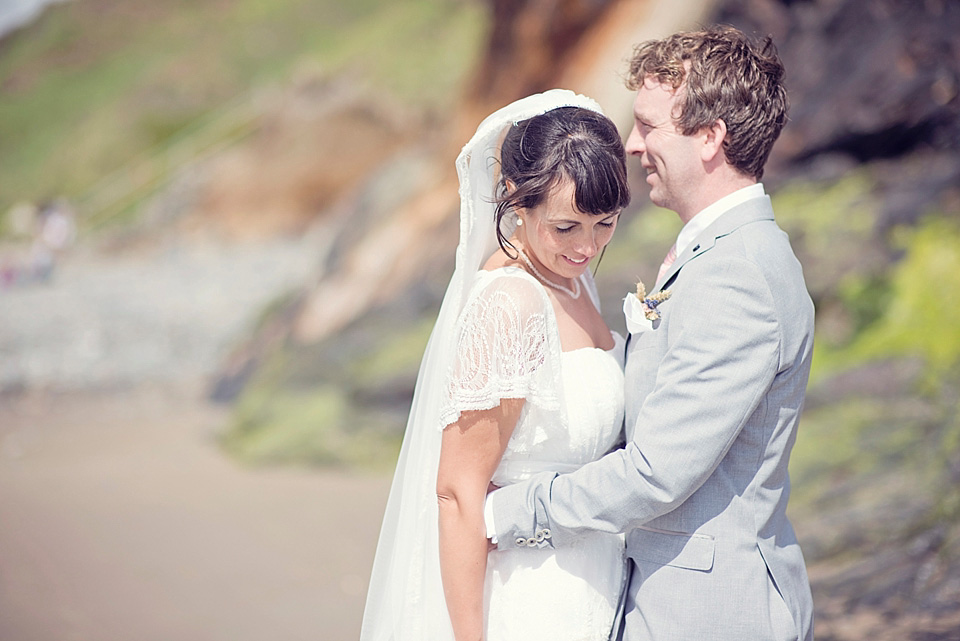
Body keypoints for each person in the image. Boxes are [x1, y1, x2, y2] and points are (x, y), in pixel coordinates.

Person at [486, 25, 816, 641]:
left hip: (711, 611)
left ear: (711, 138)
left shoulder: (737, 275)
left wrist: (509, 510)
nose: (633, 145)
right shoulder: (716, 254)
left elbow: (657, 472)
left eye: (648, 125)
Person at [359, 89, 631, 641]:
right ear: (515, 198)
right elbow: (458, 492)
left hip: (594, 580)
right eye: (566, 227)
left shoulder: (573, 281)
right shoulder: (510, 305)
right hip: (530, 599)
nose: (586, 245)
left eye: (604, 223)